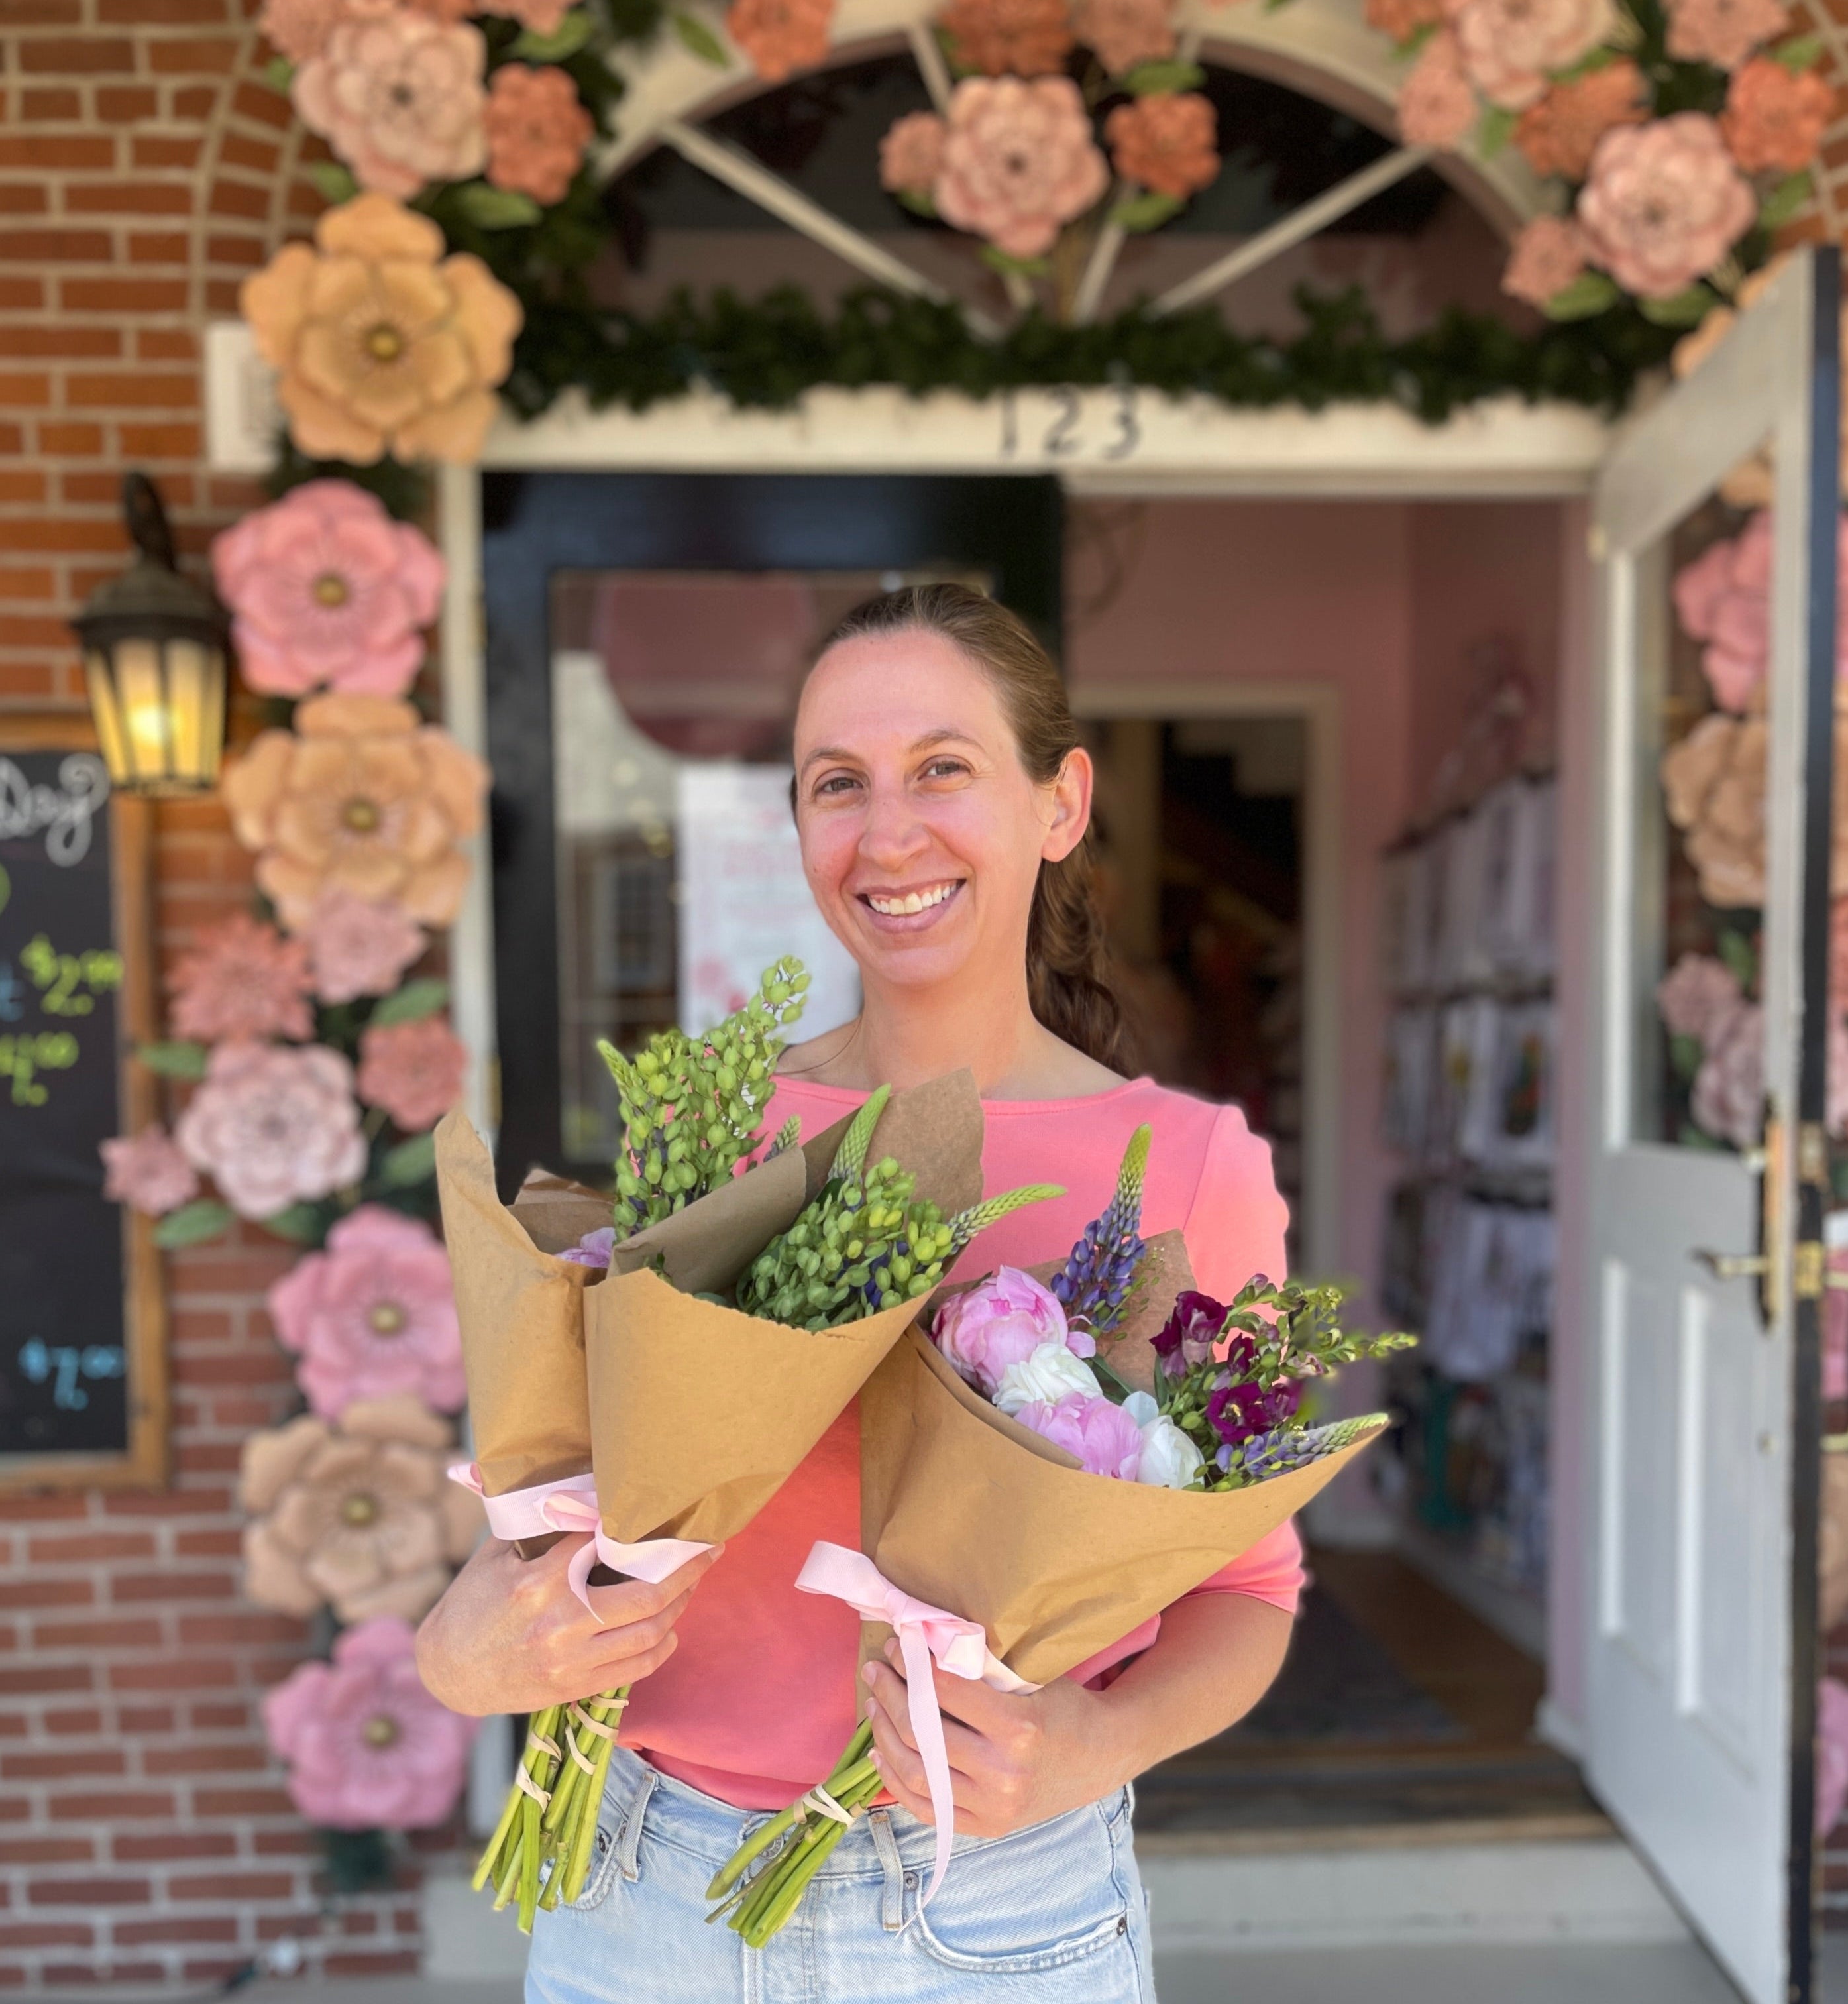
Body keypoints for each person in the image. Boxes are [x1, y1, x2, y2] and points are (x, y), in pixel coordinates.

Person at [417, 582, 1305, 2003]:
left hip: (994, 1910)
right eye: (839, 785)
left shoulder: (1193, 1171)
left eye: (943, 768)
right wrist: (468, 1640)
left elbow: (1250, 1586)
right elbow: (581, 1482)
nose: (888, 834)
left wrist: (1095, 1745)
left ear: (1059, 802)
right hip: (642, 1889)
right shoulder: (718, 1124)